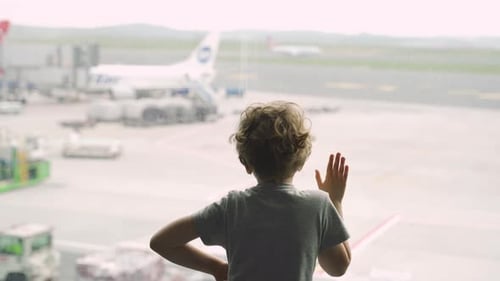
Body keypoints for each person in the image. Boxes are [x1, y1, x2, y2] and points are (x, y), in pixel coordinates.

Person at [150, 101, 351, 281]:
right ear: (301, 163)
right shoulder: (317, 206)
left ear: (246, 163)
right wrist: (335, 201)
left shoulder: (232, 207)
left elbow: (161, 242)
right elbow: (338, 267)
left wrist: (216, 267)